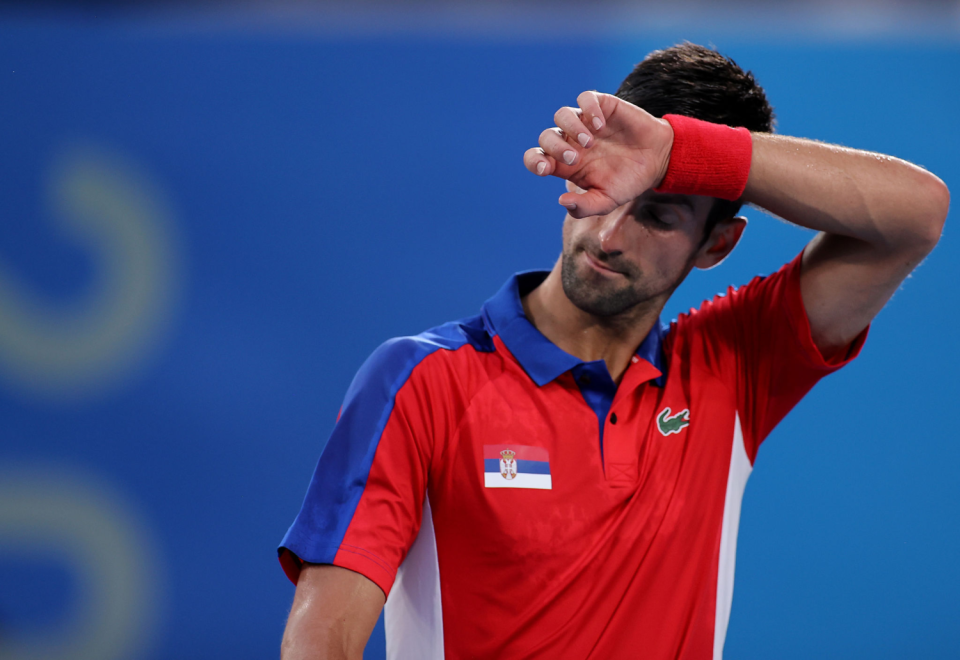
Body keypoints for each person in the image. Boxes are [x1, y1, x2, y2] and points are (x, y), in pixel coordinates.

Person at [277, 43, 949, 660]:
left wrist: (675, 151)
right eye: (605, 188)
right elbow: (324, 634)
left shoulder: (733, 368)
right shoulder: (419, 379)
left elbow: (916, 214)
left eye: (657, 212)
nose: (609, 234)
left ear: (717, 246)